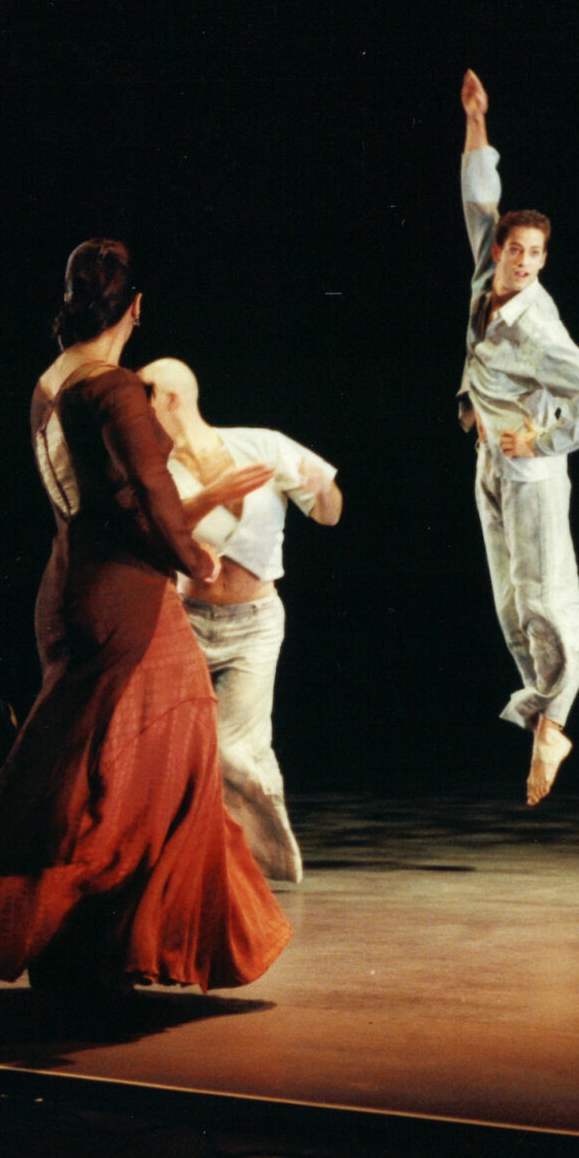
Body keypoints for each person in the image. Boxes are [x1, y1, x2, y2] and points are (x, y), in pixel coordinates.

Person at [0, 242, 290, 997]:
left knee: (99, 769)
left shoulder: (52, 381)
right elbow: (150, 492)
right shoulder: (115, 388)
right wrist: (196, 559)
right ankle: (102, 940)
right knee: (144, 773)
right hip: (125, 600)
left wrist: (188, 521)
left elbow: (115, 501)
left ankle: (91, 945)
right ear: (136, 308)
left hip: (74, 588)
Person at [457, 68, 579, 805]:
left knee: (548, 595)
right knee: (511, 600)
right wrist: (476, 118)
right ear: (500, 251)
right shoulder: (483, 277)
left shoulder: (540, 326)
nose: (523, 261)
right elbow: (478, 197)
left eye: (535, 254)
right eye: (515, 249)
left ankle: (555, 722)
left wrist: (544, 440)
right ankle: (541, 713)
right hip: (491, 464)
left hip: (532, 474)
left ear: (545, 261)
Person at [137, 357, 343, 884]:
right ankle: (179, 860)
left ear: (170, 399)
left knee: (237, 749)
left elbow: (329, 513)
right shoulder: (154, 468)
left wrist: (321, 488)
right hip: (184, 620)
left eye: (145, 396)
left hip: (253, 624)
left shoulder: (261, 446)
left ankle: (266, 860)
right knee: (173, 745)